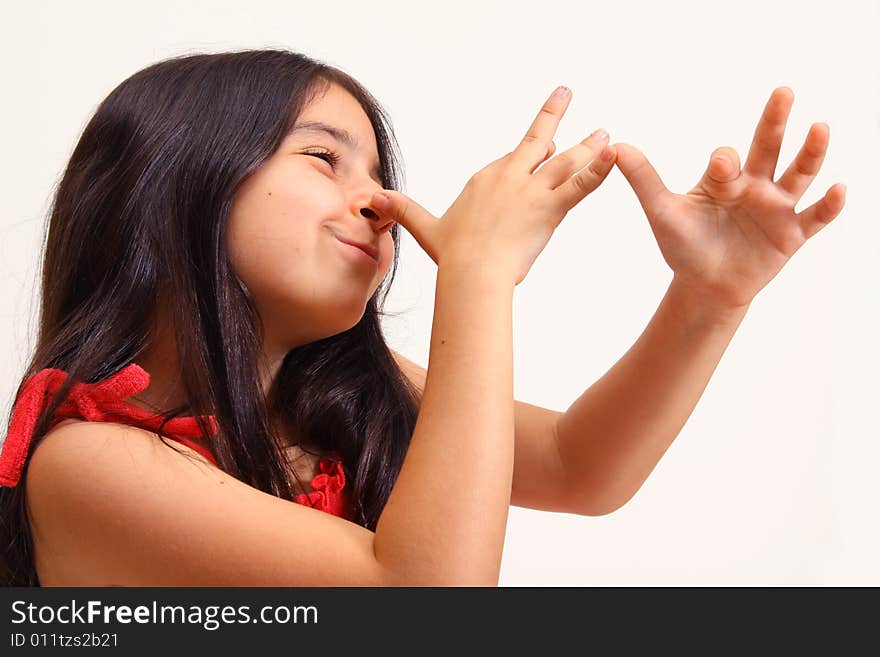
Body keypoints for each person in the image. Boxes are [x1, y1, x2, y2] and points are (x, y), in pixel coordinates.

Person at [0, 50, 845, 586]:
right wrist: (477, 278)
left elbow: (582, 466)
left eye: (376, 170)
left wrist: (708, 297)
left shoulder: (344, 396)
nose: (380, 201)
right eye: (324, 157)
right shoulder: (84, 466)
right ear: (172, 183)